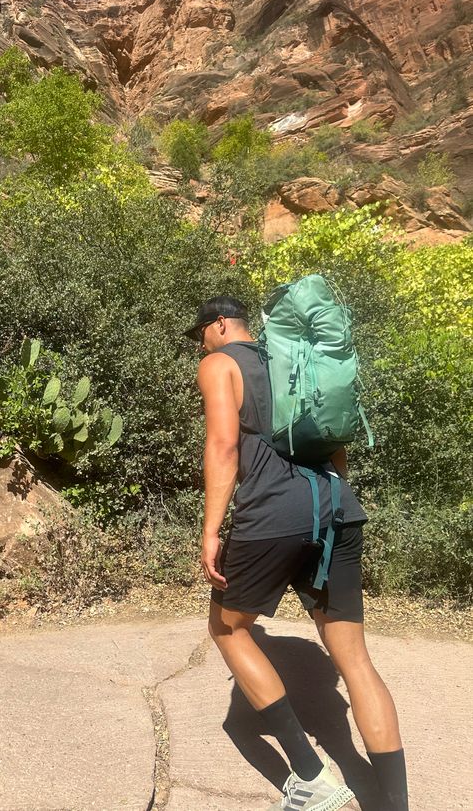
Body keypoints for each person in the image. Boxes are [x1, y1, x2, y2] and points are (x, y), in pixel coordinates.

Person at [184, 296, 409, 811]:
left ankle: (311, 778)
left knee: (227, 627)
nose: (200, 342)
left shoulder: (219, 364)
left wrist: (211, 529)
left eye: (202, 331)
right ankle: (396, 805)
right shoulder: (296, 359)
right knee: (354, 660)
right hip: (335, 508)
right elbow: (335, 442)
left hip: (269, 517)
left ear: (221, 324)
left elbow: (222, 446)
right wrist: (331, 505)